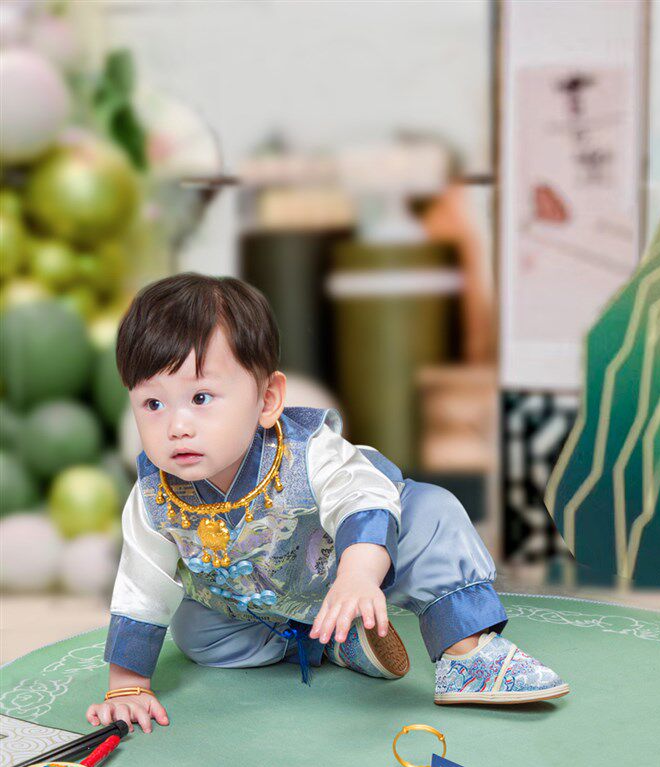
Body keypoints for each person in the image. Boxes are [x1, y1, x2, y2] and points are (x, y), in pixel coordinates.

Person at [86, 274, 568, 734]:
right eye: (153, 404)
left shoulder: (308, 451)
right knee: (195, 632)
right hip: (257, 604)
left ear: (267, 400)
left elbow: (363, 499)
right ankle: (331, 639)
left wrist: (358, 575)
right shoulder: (154, 497)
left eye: (201, 397)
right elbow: (142, 585)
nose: (177, 427)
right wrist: (127, 685)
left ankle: (466, 654)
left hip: (348, 563)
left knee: (431, 512)